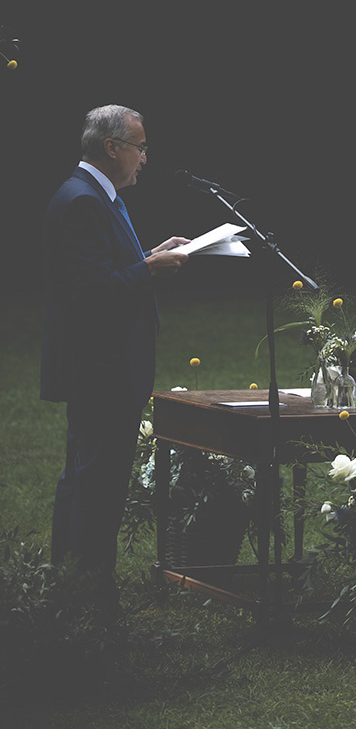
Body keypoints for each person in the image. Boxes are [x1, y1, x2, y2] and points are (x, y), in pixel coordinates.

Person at [41, 104, 190, 604]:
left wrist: (146, 256)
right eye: (140, 147)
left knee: (86, 479)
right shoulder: (84, 200)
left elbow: (103, 269)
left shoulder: (96, 196)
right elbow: (88, 293)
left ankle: (71, 587)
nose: (145, 158)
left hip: (102, 370)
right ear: (112, 148)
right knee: (98, 488)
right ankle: (89, 601)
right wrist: (150, 270)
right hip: (101, 371)